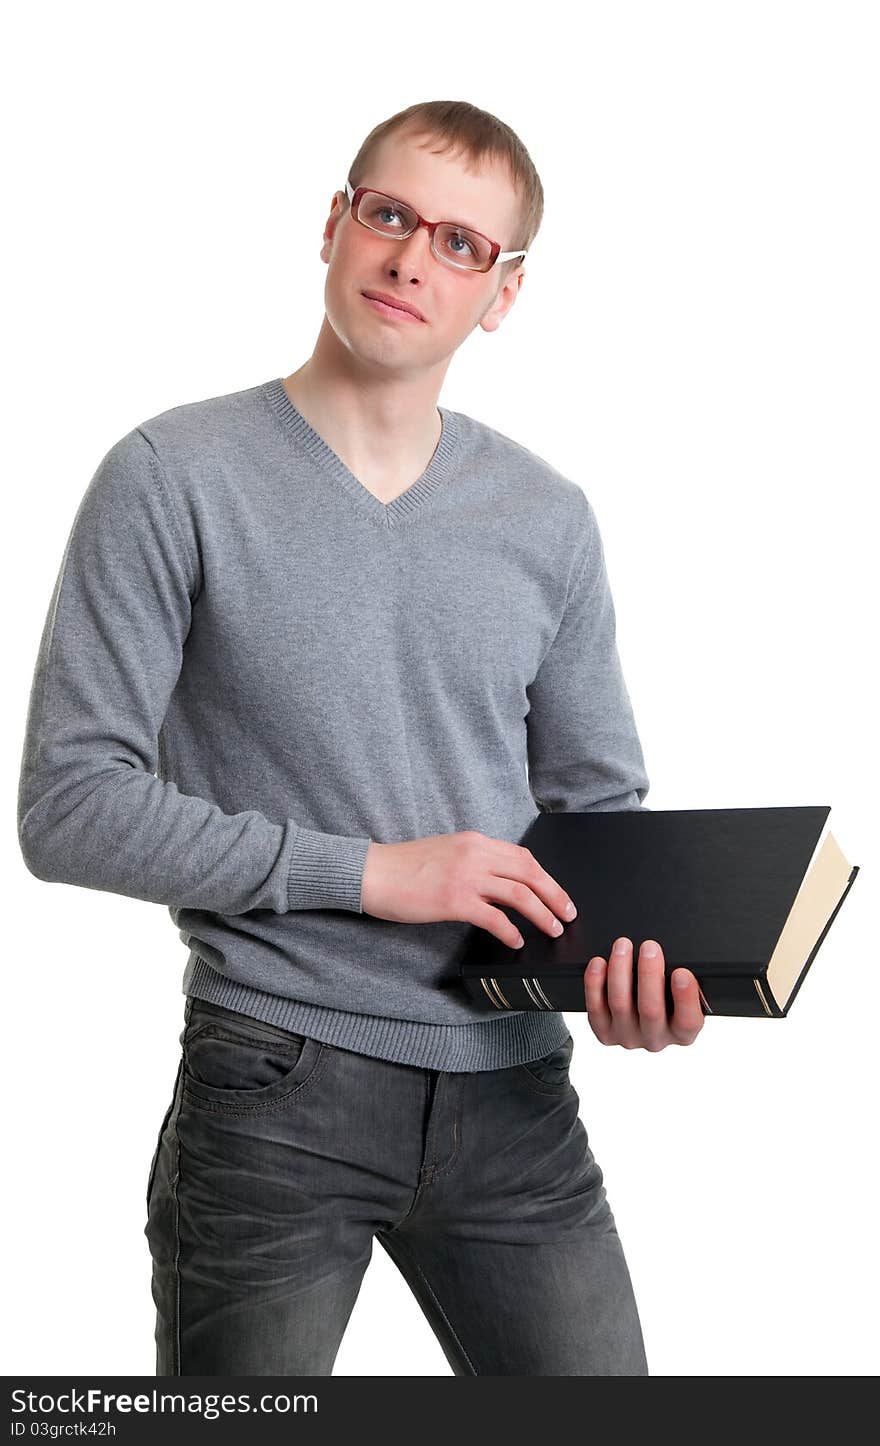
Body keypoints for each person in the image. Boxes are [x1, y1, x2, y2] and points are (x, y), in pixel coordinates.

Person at [17, 98, 703, 1378]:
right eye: (388, 216)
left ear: (500, 294)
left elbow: (598, 818)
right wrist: (376, 872)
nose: (409, 260)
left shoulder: (547, 518)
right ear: (335, 225)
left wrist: (637, 976)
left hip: (516, 1089)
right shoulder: (173, 475)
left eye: (459, 243)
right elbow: (68, 804)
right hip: (275, 1084)